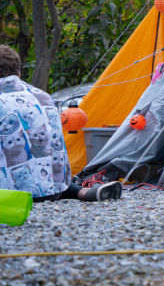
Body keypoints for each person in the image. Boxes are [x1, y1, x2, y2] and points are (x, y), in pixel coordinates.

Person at [0, 45, 121, 202]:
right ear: (18, 73)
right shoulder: (43, 96)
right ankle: (82, 192)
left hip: (11, 194)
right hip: (53, 189)